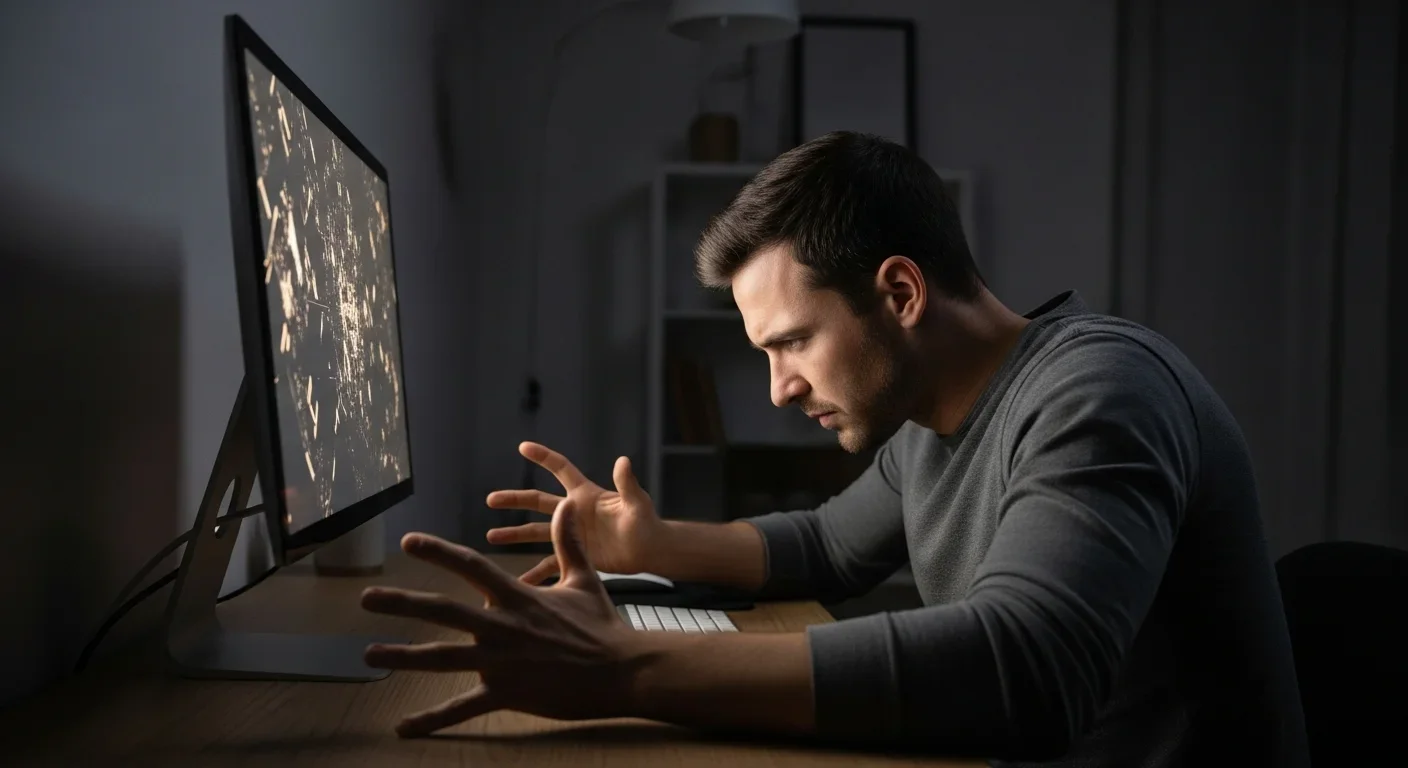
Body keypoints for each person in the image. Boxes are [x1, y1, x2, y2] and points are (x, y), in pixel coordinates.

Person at [359, 131, 1310, 766]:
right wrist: (650, 548)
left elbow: (1027, 666)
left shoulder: (1100, 392)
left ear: (900, 292)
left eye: (791, 344)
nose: (779, 389)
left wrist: (622, 667)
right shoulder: (939, 418)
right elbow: (823, 548)